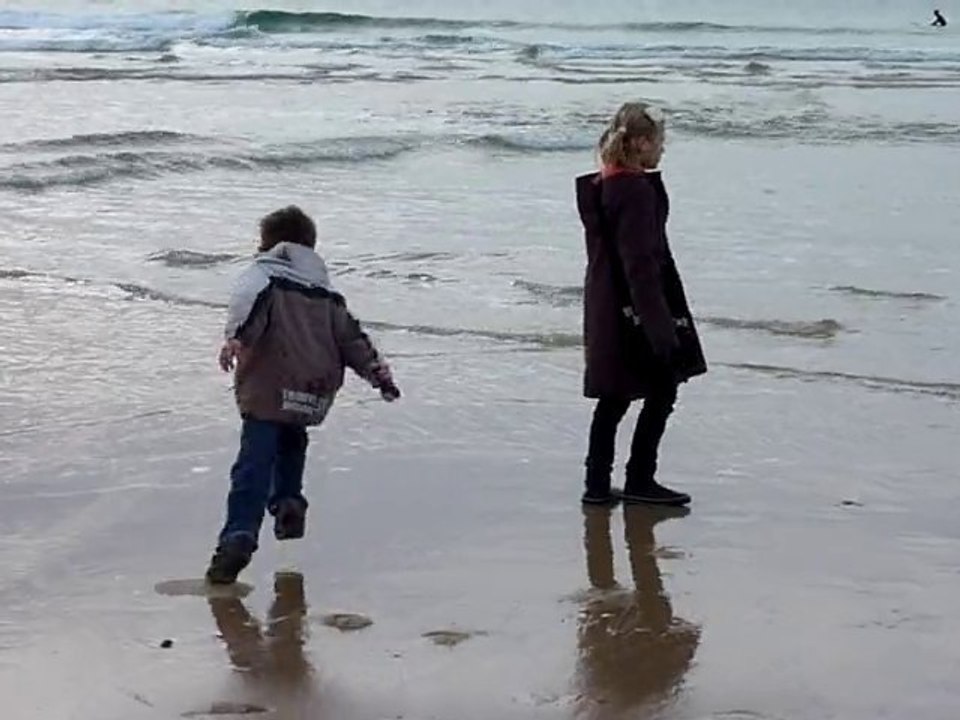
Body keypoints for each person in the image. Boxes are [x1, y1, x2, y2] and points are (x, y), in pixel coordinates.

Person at [206, 205, 400, 584]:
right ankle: (290, 502)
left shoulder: (266, 279)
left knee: (254, 463)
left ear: (267, 244)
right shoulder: (327, 296)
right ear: (311, 247)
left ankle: (238, 536)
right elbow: (354, 340)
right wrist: (380, 375)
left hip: (268, 386)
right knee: (292, 442)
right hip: (310, 391)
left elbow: (250, 309)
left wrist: (235, 339)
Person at [575, 102, 706, 507]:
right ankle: (639, 479)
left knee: (614, 397)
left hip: (607, 303)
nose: (662, 151)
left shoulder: (605, 184)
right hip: (636, 308)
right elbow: (641, 264)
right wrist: (660, 328)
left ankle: (597, 485)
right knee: (663, 387)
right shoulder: (633, 191)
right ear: (641, 143)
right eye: (660, 143)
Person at [576, 506, 699, 714]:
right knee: (612, 588)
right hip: (628, 658)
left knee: (620, 589)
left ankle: (628, 525)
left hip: (629, 660)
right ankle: (627, 525)